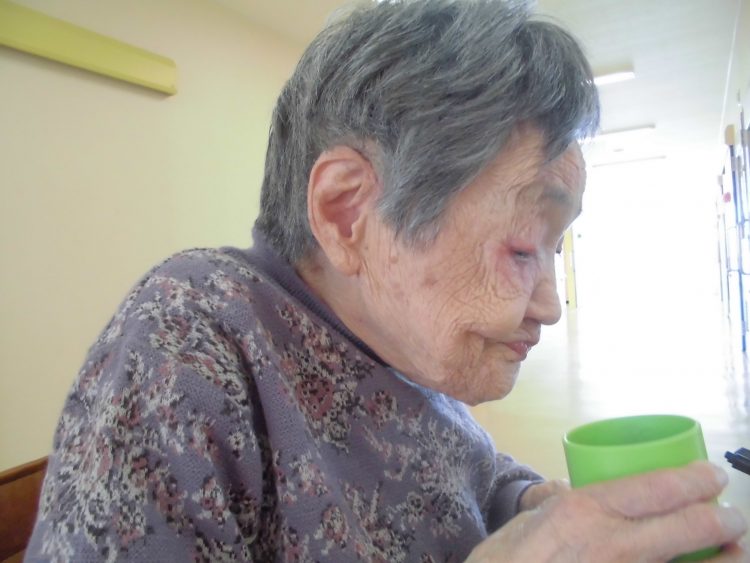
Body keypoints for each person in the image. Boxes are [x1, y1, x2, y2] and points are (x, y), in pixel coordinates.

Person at [26, 0, 748, 561]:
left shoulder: (401, 340)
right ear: (349, 213)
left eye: (554, 251)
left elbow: (465, 468)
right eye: (523, 247)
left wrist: (530, 507)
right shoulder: (188, 340)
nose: (550, 306)